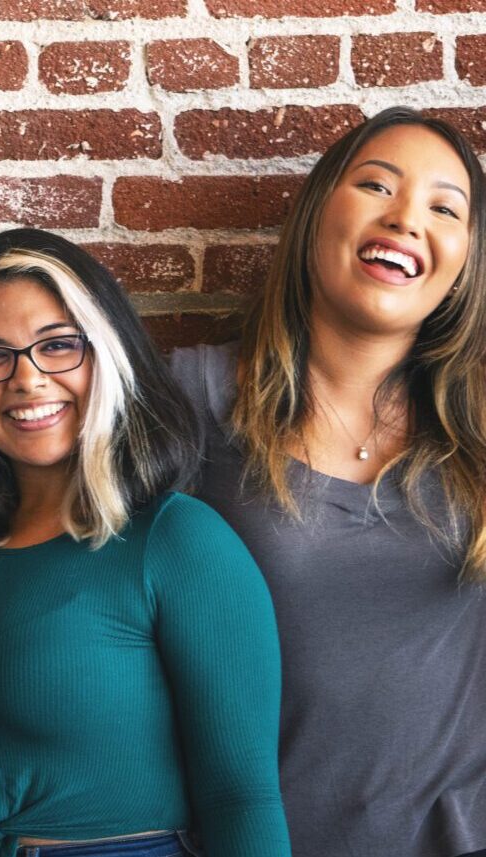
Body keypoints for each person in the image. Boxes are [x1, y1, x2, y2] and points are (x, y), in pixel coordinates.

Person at [0, 229, 290, 857]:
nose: (27, 378)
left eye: (59, 346)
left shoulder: (177, 541)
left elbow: (242, 800)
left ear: (108, 353)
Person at [166, 107, 485, 856]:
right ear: (317, 213)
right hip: (260, 840)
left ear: (466, 258)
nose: (407, 218)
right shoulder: (196, 397)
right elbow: (26, 388)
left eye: (445, 208)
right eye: (377, 185)